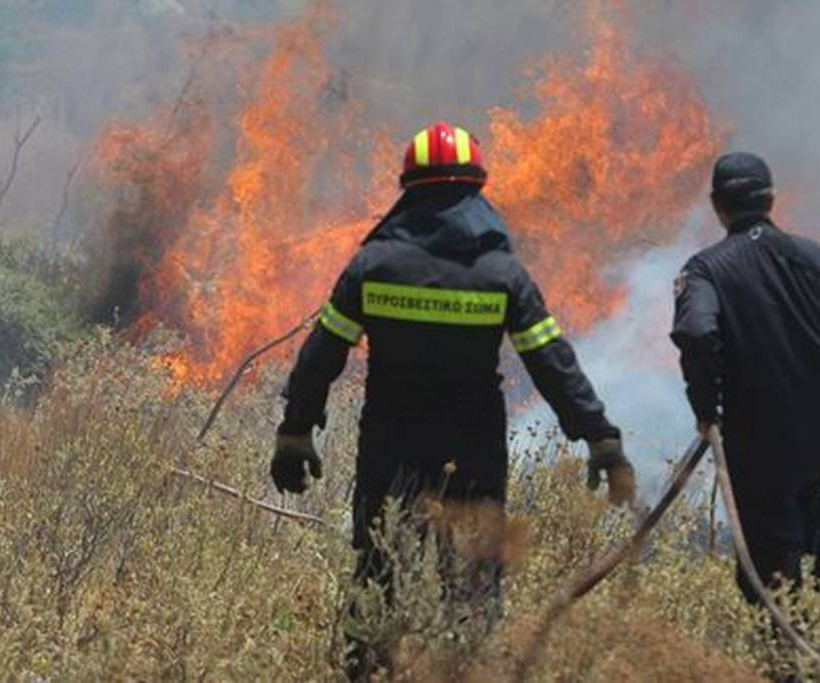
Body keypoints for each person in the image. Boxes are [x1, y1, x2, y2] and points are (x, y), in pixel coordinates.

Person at [271, 121, 634, 678]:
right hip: (473, 456)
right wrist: (600, 437)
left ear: (408, 192)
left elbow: (322, 355)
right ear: (476, 192)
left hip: (390, 451)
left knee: (377, 583)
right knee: (472, 593)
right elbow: (551, 362)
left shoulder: (375, 267)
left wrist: (295, 431)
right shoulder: (500, 274)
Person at [671, 152, 820, 605]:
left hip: (761, 449)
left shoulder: (705, 270)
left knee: (771, 577)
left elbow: (697, 330)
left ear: (718, 206)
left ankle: (784, 672)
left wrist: (706, 408)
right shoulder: (813, 258)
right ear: (771, 199)